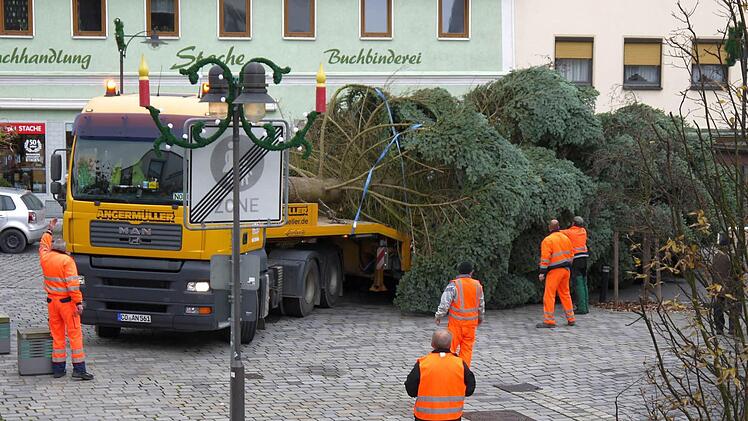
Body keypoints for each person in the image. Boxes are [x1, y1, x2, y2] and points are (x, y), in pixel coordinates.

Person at [39, 218, 94, 380]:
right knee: (75, 334)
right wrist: (78, 303)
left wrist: (49, 230)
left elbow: (43, 245)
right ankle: (78, 369)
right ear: (65, 251)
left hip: (52, 303)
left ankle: (58, 369)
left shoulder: (45, 257)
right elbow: (73, 287)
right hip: (67, 304)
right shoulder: (67, 261)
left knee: (57, 335)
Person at [405, 329, 476, 421]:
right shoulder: (460, 364)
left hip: (425, 416)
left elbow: (410, 387)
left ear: (432, 344)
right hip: (452, 416)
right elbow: (470, 387)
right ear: (450, 345)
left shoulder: (423, 363)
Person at [434, 261, 484, 367]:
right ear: (471, 272)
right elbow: (481, 305)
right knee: (467, 351)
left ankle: (448, 371)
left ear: (459, 272)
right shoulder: (478, 286)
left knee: (449, 349)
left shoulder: (454, 284)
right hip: (471, 325)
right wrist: (480, 318)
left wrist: (438, 316)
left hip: (456, 324)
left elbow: (445, 303)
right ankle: (464, 373)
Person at [537, 219, 576, 328]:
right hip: (566, 270)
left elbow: (545, 258)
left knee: (549, 295)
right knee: (565, 294)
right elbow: (572, 255)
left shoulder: (548, 240)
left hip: (554, 271)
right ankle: (571, 318)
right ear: (559, 227)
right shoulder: (566, 238)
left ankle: (549, 321)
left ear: (550, 228)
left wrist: (542, 272)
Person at [561, 216, 590, 314]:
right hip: (584, 258)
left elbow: (558, 232)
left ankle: (582, 308)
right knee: (584, 282)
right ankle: (585, 306)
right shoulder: (583, 231)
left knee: (578, 283)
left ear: (573, 223)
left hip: (576, 259)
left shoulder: (570, 232)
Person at [712, 233, 739, 335]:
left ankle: (719, 328)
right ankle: (732, 328)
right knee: (733, 306)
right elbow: (738, 271)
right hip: (730, 285)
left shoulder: (715, 256)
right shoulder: (731, 257)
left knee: (718, 306)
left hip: (718, 285)